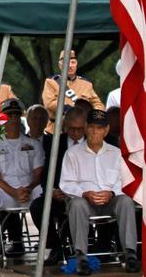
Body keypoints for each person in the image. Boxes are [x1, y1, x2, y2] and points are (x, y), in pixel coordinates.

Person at [60, 109, 139, 274]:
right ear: (86, 127)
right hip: (85, 202)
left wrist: (111, 193)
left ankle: (130, 254)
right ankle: (81, 257)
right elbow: (66, 183)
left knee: (125, 201)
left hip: (110, 201)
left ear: (106, 130)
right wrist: (85, 193)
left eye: (100, 127)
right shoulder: (72, 154)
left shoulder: (116, 153)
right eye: (92, 126)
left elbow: (123, 181)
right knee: (76, 204)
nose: (95, 131)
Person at [0, 98, 45, 264]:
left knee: (44, 190)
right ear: (1, 118)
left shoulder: (32, 143)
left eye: (16, 115)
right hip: (7, 193)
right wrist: (14, 192)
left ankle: (47, 241)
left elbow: (38, 174)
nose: (13, 119)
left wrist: (27, 189)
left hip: (29, 192)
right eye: (9, 115)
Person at [30, 105, 88, 264]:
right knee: (37, 207)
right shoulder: (55, 143)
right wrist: (52, 190)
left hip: (85, 196)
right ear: (65, 126)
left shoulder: (93, 142)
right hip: (59, 194)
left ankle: (77, 247)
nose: (76, 133)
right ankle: (56, 246)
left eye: (80, 129)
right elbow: (47, 173)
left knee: (76, 207)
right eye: (72, 129)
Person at [42, 49, 103, 132]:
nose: (70, 66)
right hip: (57, 130)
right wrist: (72, 111)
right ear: (60, 65)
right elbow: (49, 103)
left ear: (76, 64)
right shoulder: (51, 82)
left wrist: (92, 116)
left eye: (73, 62)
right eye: (66, 63)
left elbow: (98, 104)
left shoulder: (87, 84)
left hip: (81, 131)